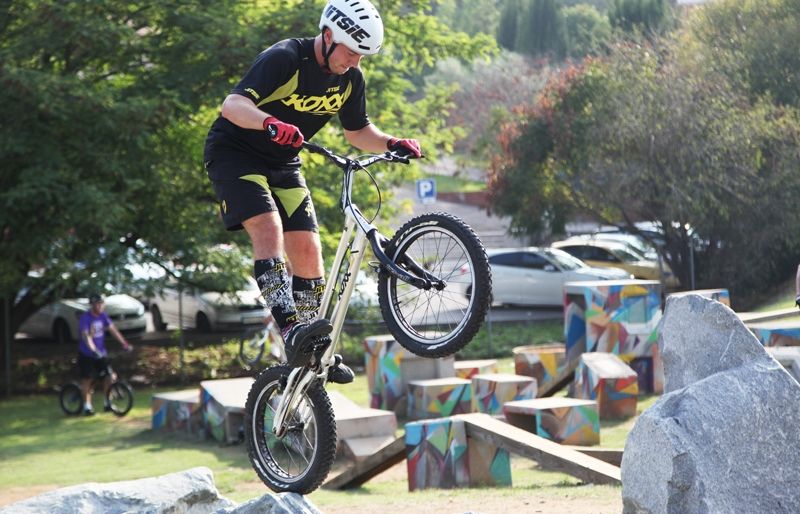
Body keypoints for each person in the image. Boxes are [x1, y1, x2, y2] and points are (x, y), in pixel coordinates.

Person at [203, 0, 421, 383]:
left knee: (307, 248)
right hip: (235, 154)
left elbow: (356, 132)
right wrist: (269, 122)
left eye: (363, 56)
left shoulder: (351, 79)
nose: (355, 62)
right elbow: (232, 105)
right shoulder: (285, 57)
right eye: (351, 52)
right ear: (327, 35)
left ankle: (312, 343)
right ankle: (290, 329)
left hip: (283, 161)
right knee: (269, 228)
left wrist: (392, 143)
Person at [78, 293, 132, 415]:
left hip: (101, 353)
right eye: (97, 304)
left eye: (101, 303)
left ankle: (107, 403)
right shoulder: (85, 318)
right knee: (88, 380)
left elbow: (113, 330)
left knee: (109, 377)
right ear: (92, 305)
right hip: (87, 354)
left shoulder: (103, 316)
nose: (99, 306)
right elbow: (86, 336)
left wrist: (124, 344)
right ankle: (87, 406)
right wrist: (93, 349)